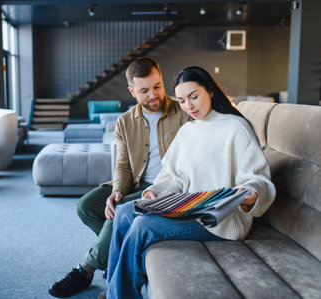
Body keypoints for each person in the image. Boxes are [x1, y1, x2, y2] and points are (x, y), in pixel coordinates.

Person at [103, 66, 276, 299]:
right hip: (187, 207)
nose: (189, 106)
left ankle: (119, 295)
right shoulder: (188, 130)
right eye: (182, 100)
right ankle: (114, 289)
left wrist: (252, 192)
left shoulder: (236, 128)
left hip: (220, 220)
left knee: (143, 227)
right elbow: (173, 176)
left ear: (211, 91)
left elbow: (257, 178)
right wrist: (154, 191)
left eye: (194, 97)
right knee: (124, 213)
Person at [48, 57, 192, 298]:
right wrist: (117, 190)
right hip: (136, 182)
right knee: (86, 207)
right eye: (144, 90)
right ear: (132, 91)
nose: (154, 95)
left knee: (118, 213)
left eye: (157, 86)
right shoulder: (125, 121)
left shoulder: (183, 111)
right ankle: (117, 253)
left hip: (167, 186)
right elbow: (123, 165)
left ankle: (86, 268)